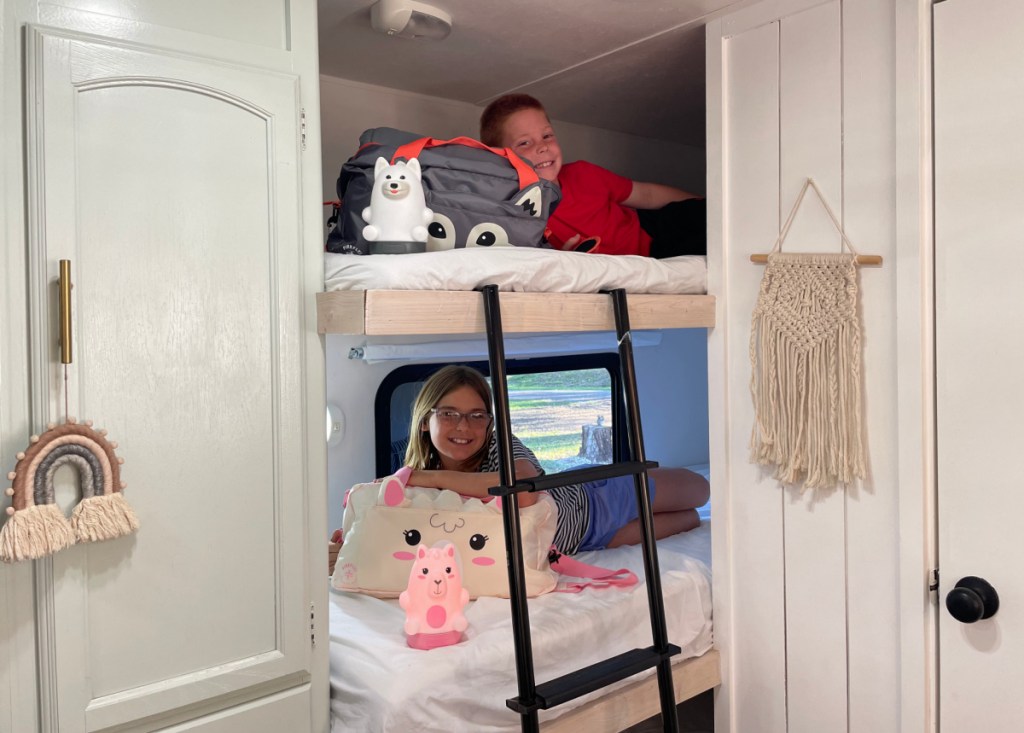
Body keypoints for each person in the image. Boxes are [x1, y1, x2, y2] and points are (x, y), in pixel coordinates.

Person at [403, 364, 709, 554]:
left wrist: (431, 478)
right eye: (448, 414)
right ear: (424, 420)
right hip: (581, 540)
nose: (463, 426)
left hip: (594, 498)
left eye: (477, 415)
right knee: (691, 520)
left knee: (700, 491)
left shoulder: (497, 445)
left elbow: (523, 490)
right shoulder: (413, 486)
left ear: (489, 422)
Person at [479, 93, 707, 259]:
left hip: (651, 228)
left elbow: (646, 194)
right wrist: (563, 259)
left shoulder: (582, 173)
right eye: (525, 142)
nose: (542, 147)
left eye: (547, 135)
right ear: (502, 157)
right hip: (652, 255)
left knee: (717, 220)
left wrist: (705, 202)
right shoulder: (514, 216)